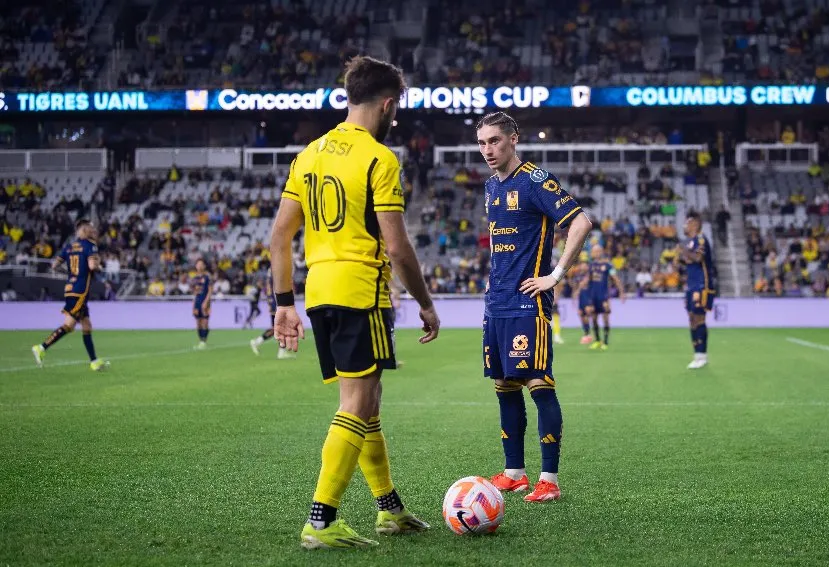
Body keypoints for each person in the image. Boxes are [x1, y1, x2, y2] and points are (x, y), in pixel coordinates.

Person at [268, 55, 440, 549]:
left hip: (319, 291)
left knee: (367, 406)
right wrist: (425, 303)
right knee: (357, 404)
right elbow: (397, 246)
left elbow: (280, 236)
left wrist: (284, 304)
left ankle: (389, 510)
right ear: (387, 104)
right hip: (362, 290)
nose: (396, 117)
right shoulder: (379, 159)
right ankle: (321, 521)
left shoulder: (310, 153)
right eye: (397, 109)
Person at [477, 111, 592, 502]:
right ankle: (514, 473)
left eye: (494, 141)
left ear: (513, 139)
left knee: (538, 384)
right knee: (503, 385)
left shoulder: (535, 180)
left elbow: (580, 222)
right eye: (482, 143)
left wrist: (555, 275)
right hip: (498, 303)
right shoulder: (491, 187)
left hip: (529, 302)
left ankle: (549, 480)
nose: (487, 150)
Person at [31, 219, 108, 371]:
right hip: (80, 290)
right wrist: (99, 266)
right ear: (84, 230)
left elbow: (54, 265)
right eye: (90, 229)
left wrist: (72, 274)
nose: (93, 231)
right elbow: (92, 266)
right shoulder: (90, 245)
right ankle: (41, 347)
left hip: (70, 287)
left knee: (87, 325)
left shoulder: (68, 247)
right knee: (69, 325)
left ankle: (94, 361)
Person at [680, 211, 716, 369]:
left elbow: (698, 258)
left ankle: (702, 356)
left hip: (702, 284)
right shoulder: (689, 242)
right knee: (691, 318)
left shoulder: (701, 239)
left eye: (687, 222)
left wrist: (683, 251)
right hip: (691, 285)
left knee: (699, 318)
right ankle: (697, 355)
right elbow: (688, 262)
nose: (684, 225)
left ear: (694, 224)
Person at [584, 244, 626, 350]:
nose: (596, 253)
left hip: (603, 296)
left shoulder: (608, 265)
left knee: (605, 318)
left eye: (598, 251)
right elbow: (587, 280)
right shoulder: (591, 265)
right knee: (593, 318)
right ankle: (597, 340)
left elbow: (615, 278)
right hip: (593, 296)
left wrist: (621, 292)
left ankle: (605, 342)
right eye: (594, 251)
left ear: (601, 252)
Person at [249, 268, 295, 359]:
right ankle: (280, 352)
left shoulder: (272, 270)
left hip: (274, 302)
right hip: (277, 303)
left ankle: (258, 342)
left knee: (277, 328)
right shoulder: (277, 269)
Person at [191, 259, 212, 349]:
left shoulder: (207, 277)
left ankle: (204, 341)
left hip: (205, 301)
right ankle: (200, 341)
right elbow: (195, 292)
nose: (199, 266)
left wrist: (206, 302)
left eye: (201, 264)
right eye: (197, 264)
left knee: (205, 321)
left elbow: (210, 290)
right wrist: (193, 305)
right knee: (198, 322)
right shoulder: (194, 278)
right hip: (197, 301)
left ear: (204, 266)